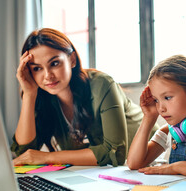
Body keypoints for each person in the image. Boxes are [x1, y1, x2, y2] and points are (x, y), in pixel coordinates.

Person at [11, 28, 158, 166]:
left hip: (151, 154)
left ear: (72, 59)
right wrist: (29, 95)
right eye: (37, 68)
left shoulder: (102, 84)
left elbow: (115, 153)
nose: (48, 76)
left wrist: (47, 157)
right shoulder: (42, 96)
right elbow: (24, 153)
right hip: (97, 170)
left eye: (54, 63)